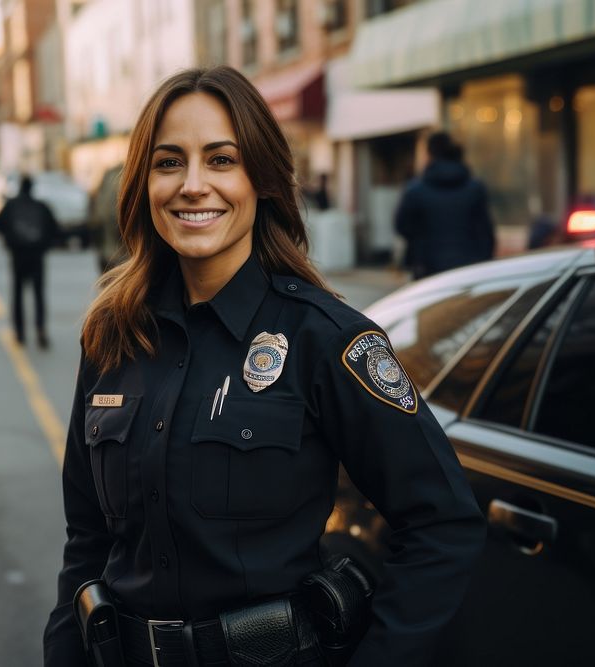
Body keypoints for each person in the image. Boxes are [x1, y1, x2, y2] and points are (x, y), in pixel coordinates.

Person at [43, 66, 485, 667]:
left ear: (263, 178)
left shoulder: (327, 339)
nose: (193, 185)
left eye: (221, 160)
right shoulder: (113, 337)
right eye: (169, 162)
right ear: (143, 184)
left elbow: (443, 524)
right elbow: (88, 540)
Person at [394, 131, 495, 279]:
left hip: (427, 269)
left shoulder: (415, 190)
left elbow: (402, 226)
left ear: (429, 154)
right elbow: (486, 232)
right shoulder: (475, 188)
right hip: (469, 269)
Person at [0, 175, 61, 348]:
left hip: (18, 255)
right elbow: (55, 228)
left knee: (18, 294)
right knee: (38, 295)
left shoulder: (11, 206)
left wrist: (10, 240)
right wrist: (44, 244)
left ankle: (20, 333)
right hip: (37, 255)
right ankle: (40, 330)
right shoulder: (41, 206)